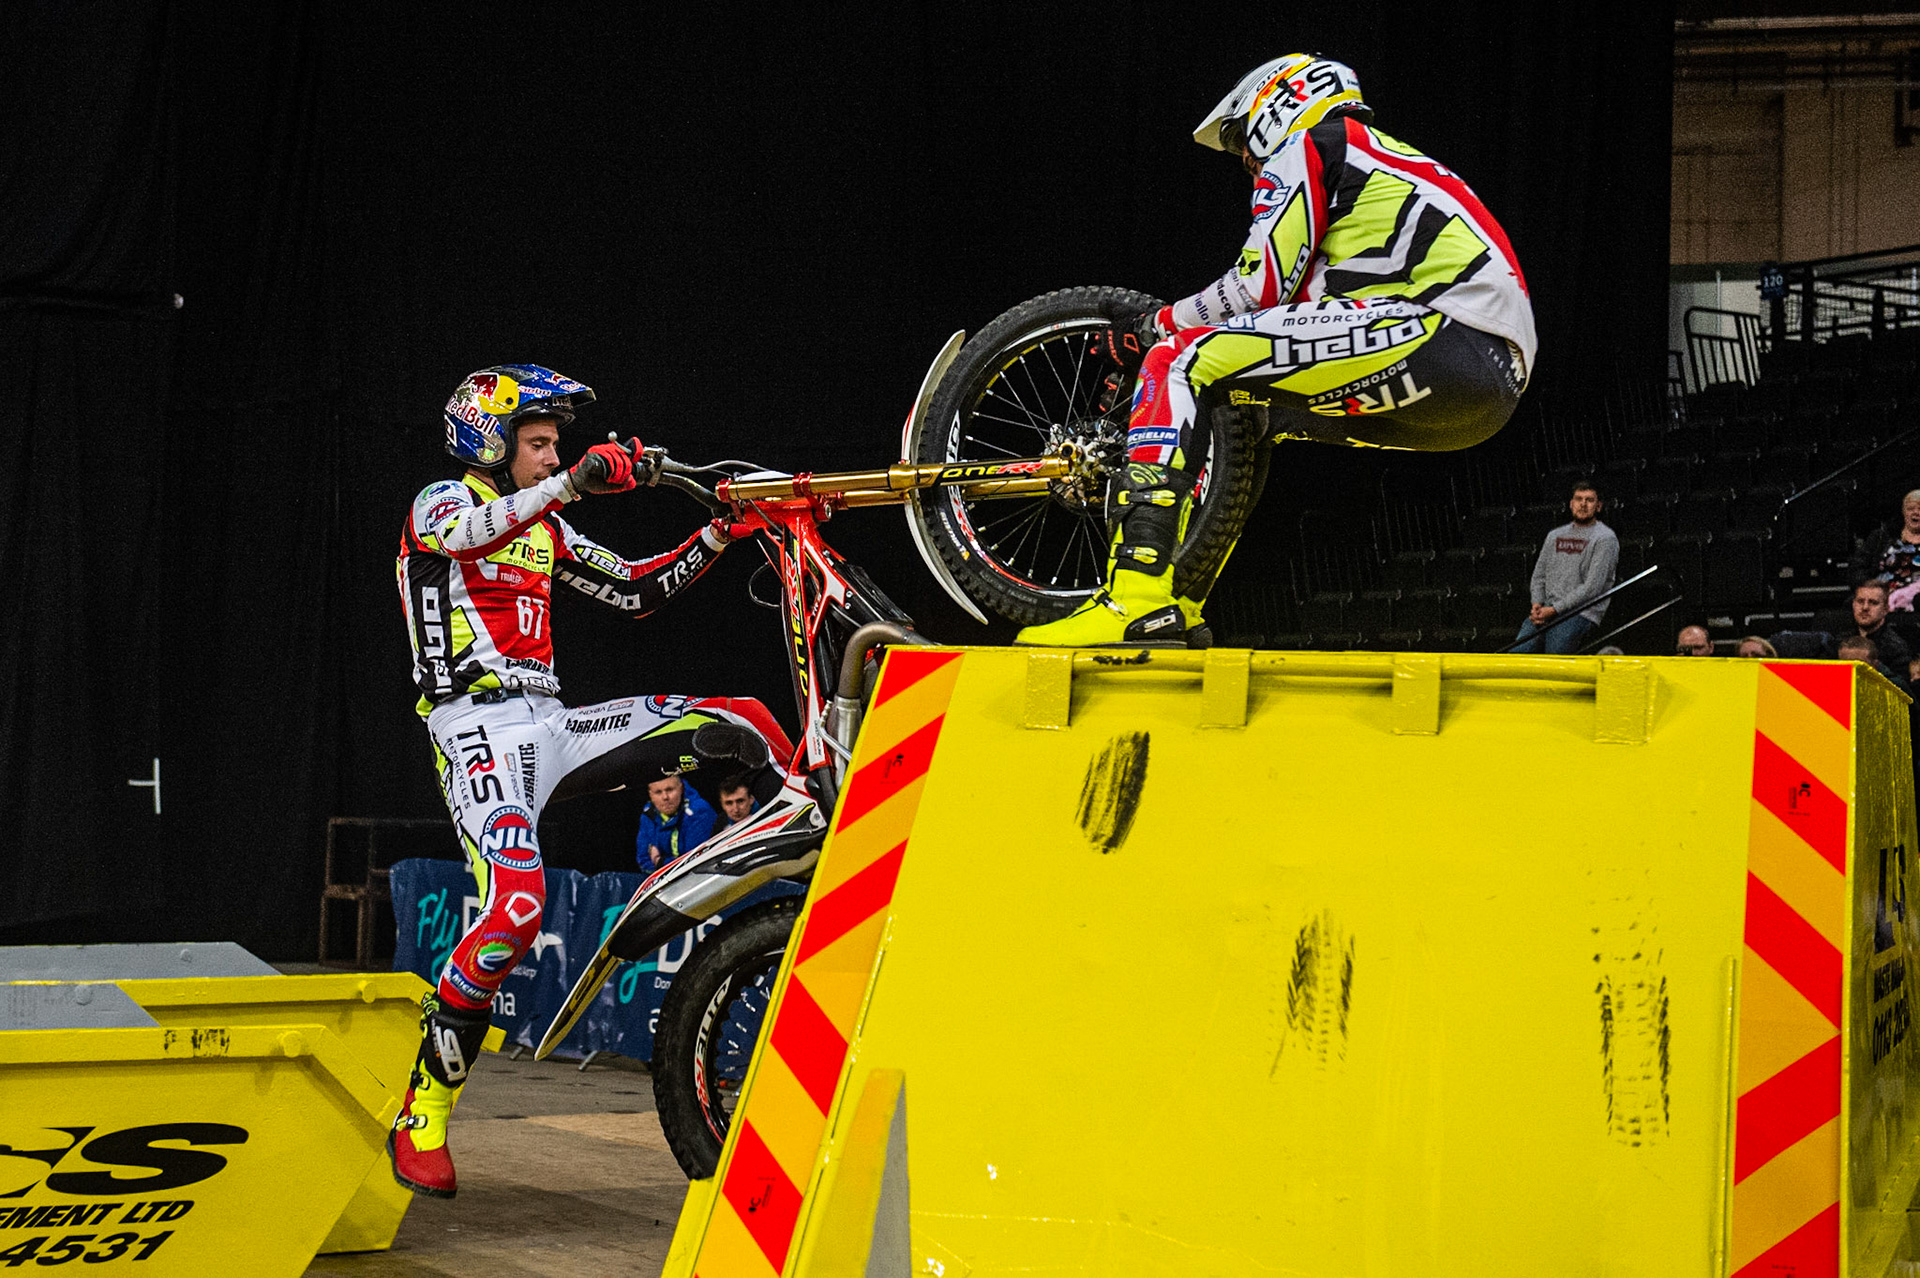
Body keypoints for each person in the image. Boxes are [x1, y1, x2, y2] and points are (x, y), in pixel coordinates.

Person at [392, 364, 783, 1198]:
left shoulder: (547, 527)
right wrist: (571, 483)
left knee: (738, 718)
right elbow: (469, 537)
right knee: (514, 912)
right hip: (473, 729)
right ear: (489, 443)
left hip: (552, 722)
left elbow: (636, 591)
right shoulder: (440, 503)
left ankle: (822, 848)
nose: (550, 456)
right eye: (536, 443)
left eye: (554, 446)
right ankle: (423, 1108)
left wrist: (718, 533)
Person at [1018, 53, 1534, 646]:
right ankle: (1179, 603)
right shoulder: (1374, 163)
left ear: (1278, 103)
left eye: (1241, 140)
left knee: (1178, 359)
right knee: (1252, 417)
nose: (1245, 159)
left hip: (1442, 333)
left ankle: (1134, 595)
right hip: (1485, 393)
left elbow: (1256, 286)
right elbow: (1285, 314)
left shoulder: (1315, 143)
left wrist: (1152, 326)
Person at [1511, 482, 1617, 654]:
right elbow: (1539, 575)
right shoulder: (1554, 536)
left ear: (1598, 506)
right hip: (1548, 609)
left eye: (1589, 500)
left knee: (1555, 659)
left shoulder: (1605, 538)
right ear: (1571, 504)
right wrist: (1537, 604)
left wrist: (1555, 610)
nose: (1583, 504)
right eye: (1579, 499)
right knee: (1517, 655)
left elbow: (1592, 587)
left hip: (1581, 612)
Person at [1851, 490, 1920, 609]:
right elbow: (1857, 568)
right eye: (1910, 509)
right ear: (1903, 512)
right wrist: (1871, 589)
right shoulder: (1881, 537)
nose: (1916, 512)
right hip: (1879, 596)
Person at [637, 773, 718, 869]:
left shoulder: (700, 811)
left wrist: (659, 861)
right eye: (658, 792)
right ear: (650, 794)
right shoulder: (648, 814)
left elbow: (695, 861)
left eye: (669, 790)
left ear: (681, 788)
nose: (665, 797)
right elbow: (643, 861)